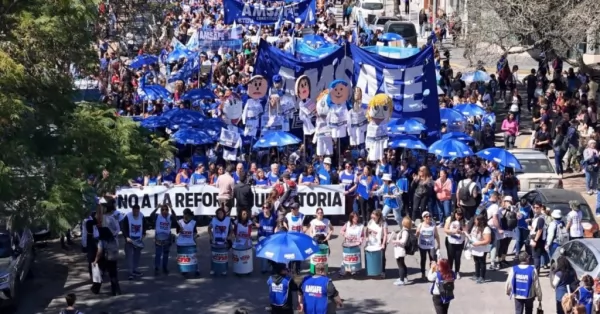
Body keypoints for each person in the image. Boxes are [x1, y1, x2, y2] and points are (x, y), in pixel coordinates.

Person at [149, 204, 177, 276]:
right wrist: (157, 207)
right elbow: (151, 215)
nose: (164, 211)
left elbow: (175, 218)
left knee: (166, 254)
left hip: (167, 238)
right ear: (161, 210)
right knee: (158, 253)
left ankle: (165, 267)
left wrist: (171, 208)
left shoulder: (169, 216)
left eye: (166, 209)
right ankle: (157, 268)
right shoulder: (157, 216)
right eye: (163, 210)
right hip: (158, 238)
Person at [121, 204, 146, 280]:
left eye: (137, 211)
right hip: (130, 239)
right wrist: (126, 237)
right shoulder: (128, 216)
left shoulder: (141, 216)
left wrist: (144, 234)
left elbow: (145, 225)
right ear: (132, 210)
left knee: (137, 256)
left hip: (138, 239)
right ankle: (130, 273)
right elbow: (123, 227)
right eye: (134, 211)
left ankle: (135, 270)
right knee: (130, 256)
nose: (136, 213)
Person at [467, 213, 492, 284]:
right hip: (475, 247)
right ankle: (477, 275)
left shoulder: (486, 229)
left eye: (476, 220)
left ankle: (482, 277)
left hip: (482, 248)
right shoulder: (475, 226)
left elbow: (487, 240)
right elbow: (473, 234)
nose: (475, 221)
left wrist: (478, 243)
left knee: (482, 262)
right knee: (476, 261)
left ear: (480, 221)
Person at [177, 208, 201, 277]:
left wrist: (195, 237)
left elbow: (195, 232)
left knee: (193, 256)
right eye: (185, 215)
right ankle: (184, 269)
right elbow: (177, 232)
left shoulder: (193, 222)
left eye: (188, 215)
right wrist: (179, 230)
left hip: (191, 242)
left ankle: (196, 269)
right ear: (184, 215)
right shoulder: (179, 222)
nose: (187, 216)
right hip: (181, 242)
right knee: (183, 257)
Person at [338, 212, 364, 276]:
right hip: (348, 244)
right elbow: (341, 231)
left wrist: (360, 241)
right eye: (354, 217)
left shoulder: (361, 226)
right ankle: (344, 270)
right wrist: (345, 235)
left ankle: (354, 271)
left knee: (354, 258)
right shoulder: (348, 224)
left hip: (356, 245)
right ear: (351, 218)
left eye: (356, 216)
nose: (355, 218)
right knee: (346, 258)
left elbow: (362, 235)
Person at [417, 211, 440, 280]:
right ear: (423, 218)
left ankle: (432, 274)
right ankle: (423, 274)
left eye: (430, 216)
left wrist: (439, 244)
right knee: (423, 260)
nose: (428, 218)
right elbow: (417, 235)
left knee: (433, 260)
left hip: (431, 246)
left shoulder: (433, 225)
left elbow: (436, 235)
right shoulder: (420, 225)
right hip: (422, 246)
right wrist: (417, 233)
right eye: (426, 216)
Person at [366, 209, 388, 278]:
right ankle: (374, 269)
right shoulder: (370, 222)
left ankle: (382, 271)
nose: (372, 218)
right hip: (372, 241)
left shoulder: (384, 223)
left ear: (378, 216)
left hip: (380, 241)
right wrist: (368, 235)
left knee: (382, 257)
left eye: (374, 217)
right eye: (372, 217)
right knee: (373, 256)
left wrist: (383, 244)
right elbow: (367, 231)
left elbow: (385, 234)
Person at [444, 208, 465, 278]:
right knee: (450, 257)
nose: (458, 216)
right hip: (450, 240)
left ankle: (457, 271)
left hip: (459, 241)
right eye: (457, 214)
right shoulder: (449, 219)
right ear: (455, 213)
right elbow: (445, 229)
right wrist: (453, 231)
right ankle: (449, 271)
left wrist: (462, 232)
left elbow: (466, 230)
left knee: (457, 257)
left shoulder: (464, 220)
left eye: (460, 215)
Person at [391, 216, 412, 286]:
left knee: (400, 265)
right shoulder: (403, 230)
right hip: (398, 250)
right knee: (402, 264)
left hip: (400, 250)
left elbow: (403, 241)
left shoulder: (405, 231)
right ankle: (404, 277)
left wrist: (395, 241)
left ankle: (401, 280)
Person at [529, 201, 547, 273]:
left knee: (536, 256)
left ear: (541, 208)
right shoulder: (536, 216)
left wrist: (535, 241)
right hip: (535, 237)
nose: (535, 209)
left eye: (537, 208)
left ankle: (536, 272)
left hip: (537, 239)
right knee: (538, 255)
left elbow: (540, 230)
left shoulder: (540, 218)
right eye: (534, 208)